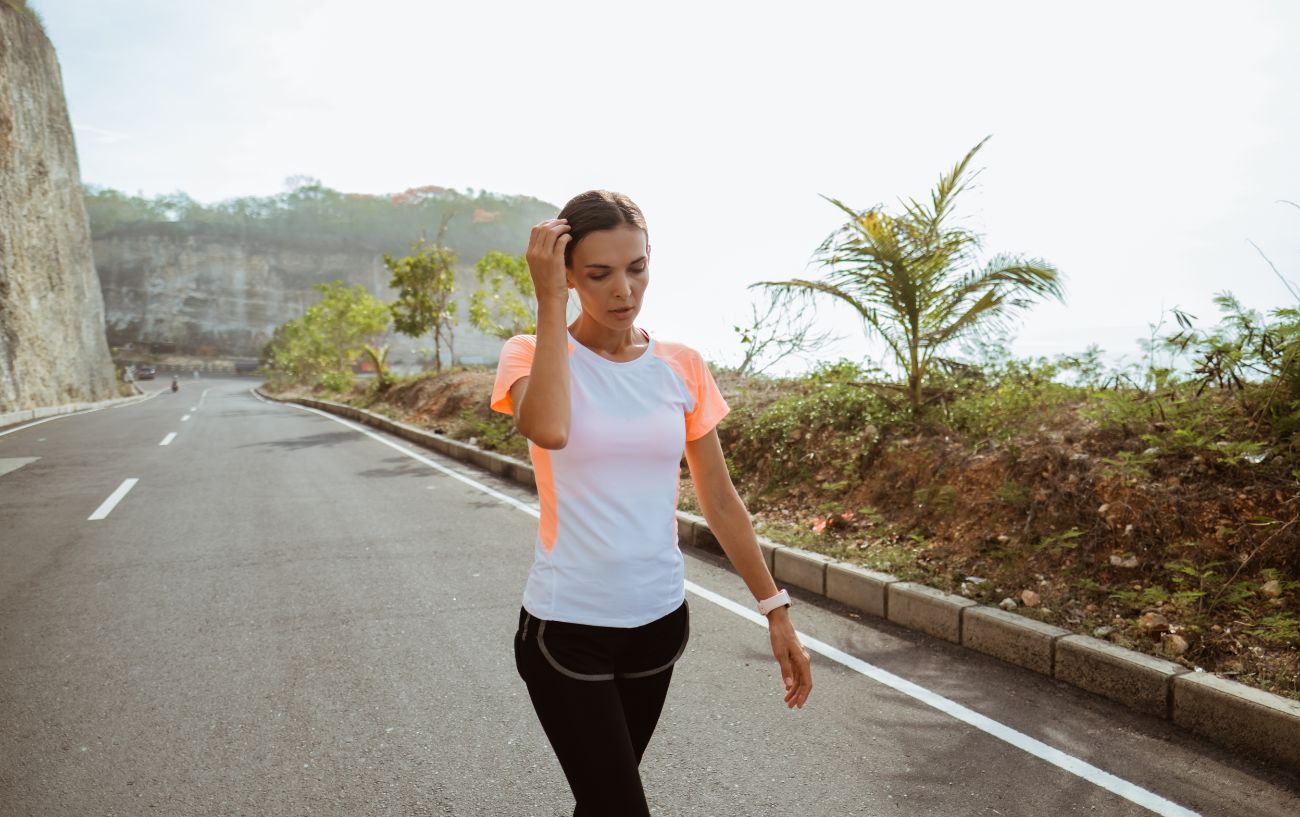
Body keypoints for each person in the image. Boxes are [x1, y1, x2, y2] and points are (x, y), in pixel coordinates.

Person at [491, 190, 813, 815]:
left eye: (636, 268)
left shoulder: (681, 366)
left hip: (659, 625)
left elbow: (719, 500)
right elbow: (550, 429)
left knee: (604, 801)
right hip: (567, 631)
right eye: (598, 274)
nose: (623, 291)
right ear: (566, 276)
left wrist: (775, 610)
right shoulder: (529, 353)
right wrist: (548, 301)